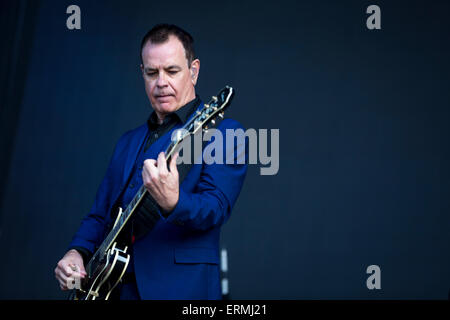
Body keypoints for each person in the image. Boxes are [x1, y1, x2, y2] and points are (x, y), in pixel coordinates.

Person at [54, 24, 247, 300]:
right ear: (142, 73)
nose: (161, 82)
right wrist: (77, 252)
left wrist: (174, 202)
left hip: (179, 290)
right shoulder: (128, 141)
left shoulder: (224, 133)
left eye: (172, 71)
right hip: (112, 289)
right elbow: (100, 214)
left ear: (193, 71)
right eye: (152, 72)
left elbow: (216, 208)